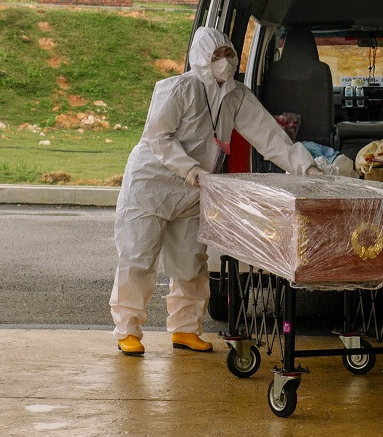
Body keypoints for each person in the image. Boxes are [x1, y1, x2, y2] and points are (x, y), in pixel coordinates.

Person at [110, 28, 321, 356]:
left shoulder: (236, 96)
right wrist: (190, 168)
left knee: (190, 262)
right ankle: (128, 329)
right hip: (151, 186)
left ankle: (185, 329)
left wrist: (305, 166)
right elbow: (158, 138)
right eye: (216, 56)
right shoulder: (177, 89)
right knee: (138, 258)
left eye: (228, 54)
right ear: (200, 58)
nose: (224, 62)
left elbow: (269, 135)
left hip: (195, 189)